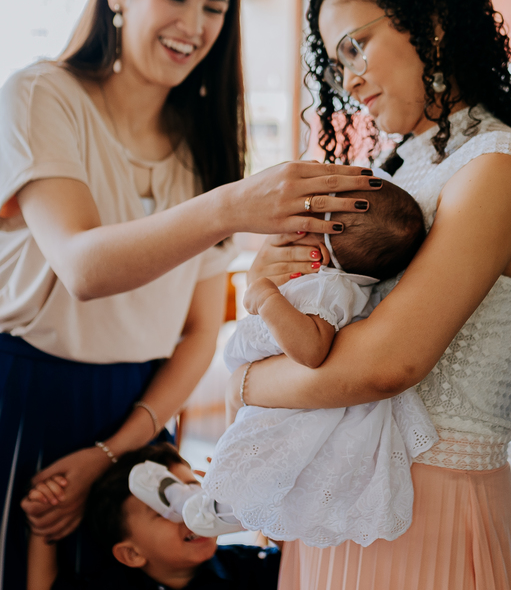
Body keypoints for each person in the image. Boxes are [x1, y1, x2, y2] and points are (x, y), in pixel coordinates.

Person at [0, 0, 378, 590]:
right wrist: (231, 205)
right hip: (14, 404)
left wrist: (112, 448)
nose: (195, 23)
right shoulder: (40, 96)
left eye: (216, 7)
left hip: (137, 420)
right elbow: (84, 265)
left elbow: (197, 336)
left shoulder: (203, 144)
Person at [231, 0, 511, 590]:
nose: (351, 79)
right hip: (351, 500)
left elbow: (387, 363)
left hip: (431, 510)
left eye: (359, 46)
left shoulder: (497, 170)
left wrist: (241, 380)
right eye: (337, 62)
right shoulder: (403, 170)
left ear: (428, 23)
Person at [128, 181, 436, 547]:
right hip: (278, 393)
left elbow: (310, 349)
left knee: (265, 460)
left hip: (292, 408)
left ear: (323, 244)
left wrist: (268, 296)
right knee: (253, 458)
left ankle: (208, 510)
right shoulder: (331, 281)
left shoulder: (329, 287)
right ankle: (206, 502)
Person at [24, 443, 281, 590]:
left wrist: (259, 501)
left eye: (193, 494)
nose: (189, 513)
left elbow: (302, 564)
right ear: (132, 553)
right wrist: (47, 518)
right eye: (166, 509)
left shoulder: (249, 570)